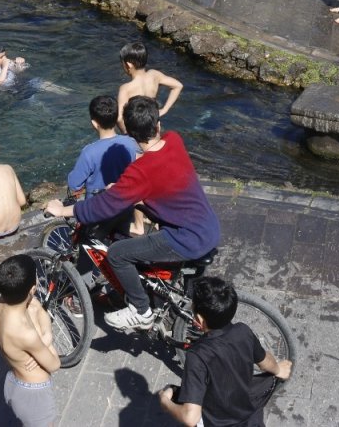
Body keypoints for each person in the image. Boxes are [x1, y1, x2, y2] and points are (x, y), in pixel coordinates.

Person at [46, 97, 220, 330]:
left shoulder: (140, 172)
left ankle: (141, 311)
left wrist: (62, 209)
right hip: (208, 226)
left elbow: (99, 208)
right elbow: (161, 182)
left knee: (118, 253)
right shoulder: (174, 140)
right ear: (158, 125)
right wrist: (121, 192)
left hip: (186, 237)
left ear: (129, 132)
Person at [157, 276, 293, 427]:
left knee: (175, 393)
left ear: (200, 320)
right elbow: (265, 361)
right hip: (248, 415)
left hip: (215, 422)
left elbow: (191, 418)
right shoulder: (243, 331)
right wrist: (278, 369)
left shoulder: (197, 356)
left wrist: (164, 401)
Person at [0, 254, 60, 427]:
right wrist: (48, 340)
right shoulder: (25, 334)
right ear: (32, 289)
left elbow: (38, 308)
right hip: (34, 396)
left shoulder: (3, 301)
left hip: (14, 381)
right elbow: (54, 364)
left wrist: (44, 338)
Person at [67, 95, 139, 199]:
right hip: (125, 202)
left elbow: (74, 184)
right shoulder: (131, 143)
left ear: (94, 123)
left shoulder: (89, 152)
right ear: (116, 119)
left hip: (97, 207)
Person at [116, 41, 184, 129]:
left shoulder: (125, 88)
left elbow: (119, 118)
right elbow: (178, 86)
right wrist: (164, 110)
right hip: (153, 124)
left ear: (128, 65)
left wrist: (127, 135)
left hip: (136, 129)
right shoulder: (154, 75)